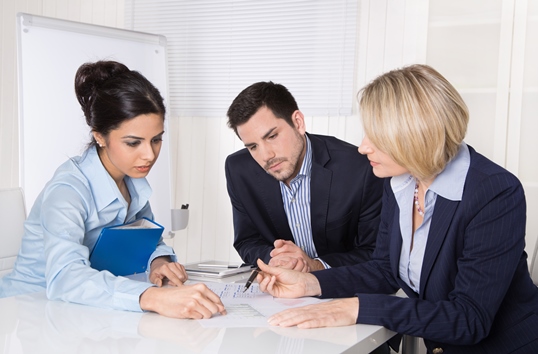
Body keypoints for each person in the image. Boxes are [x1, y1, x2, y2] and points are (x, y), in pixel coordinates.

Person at [255, 65, 538, 353]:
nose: (363, 148)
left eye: (376, 137)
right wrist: (309, 283)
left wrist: (357, 307)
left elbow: (469, 318)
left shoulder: (494, 192)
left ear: (416, 135)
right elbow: (385, 269)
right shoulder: (401, 182)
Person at [0, 60, 225, 319]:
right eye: (133, 143)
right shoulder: (67, 191)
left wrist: (159, 262)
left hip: (84, 312)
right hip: (25, 312)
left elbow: (148, 238)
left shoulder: (133, 181)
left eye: (156, 140)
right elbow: (65, 277)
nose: (149, 155)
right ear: (100, 136)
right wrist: (152, 297)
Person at [225, 81, 384, 272]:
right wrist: (277, 260)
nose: (266, 156)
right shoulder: (239, 170)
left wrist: (315, 266)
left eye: (272, 136)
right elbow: (247, 240)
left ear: (298, 122)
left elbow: (374, 252)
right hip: (279, 291)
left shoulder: (359, 168)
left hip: (340, 288)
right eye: (253, 147)